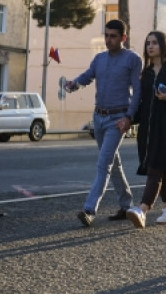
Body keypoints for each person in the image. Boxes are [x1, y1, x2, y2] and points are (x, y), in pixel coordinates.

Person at [64, 19, 142, 227]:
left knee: (103, 164)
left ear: (123, 38)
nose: (108, 39)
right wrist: (74, 84)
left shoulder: (133, 59)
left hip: (118, 120)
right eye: (106, 35)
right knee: (112, 162)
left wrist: (129, 117)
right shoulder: (99, 58)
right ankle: (126, 205)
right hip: (98, 118)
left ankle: (89, 210)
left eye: (113, 36)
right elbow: (88, 76)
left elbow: (138, 91)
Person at [126, 31, 166, 229]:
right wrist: (128, 119)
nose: (150, 46)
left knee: (155, 167)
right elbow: (141, 102)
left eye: (154, 43)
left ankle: (142, 209)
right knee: (159, 171)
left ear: (163, 45)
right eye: (148, 43)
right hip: (147, 130)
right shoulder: (145, 73)